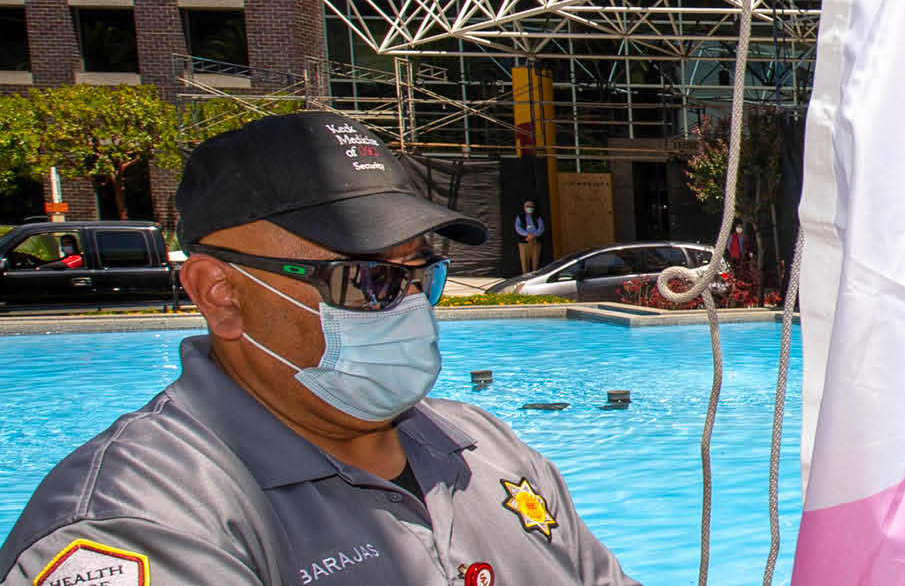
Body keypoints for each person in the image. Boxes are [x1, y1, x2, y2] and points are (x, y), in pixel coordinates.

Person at [0, 111, 640, 585]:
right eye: (363, 279)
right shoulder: (139, 520)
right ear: (220, 292)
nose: (407, 307)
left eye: (419, 275)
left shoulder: (486, 449)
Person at [515, 199, 546, 274]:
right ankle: (526, 278)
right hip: (524, 242)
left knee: (536, 262)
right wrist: (527, 235)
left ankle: (535, 277)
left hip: (535, 241)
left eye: (531, 206)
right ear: (524, 207)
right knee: (525, 262)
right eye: (527, 206)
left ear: (534, 207)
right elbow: (518, 228)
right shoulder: (520, 217)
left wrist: (534, 235)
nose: (529, 208)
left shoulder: (537, 217)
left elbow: (541, 228)